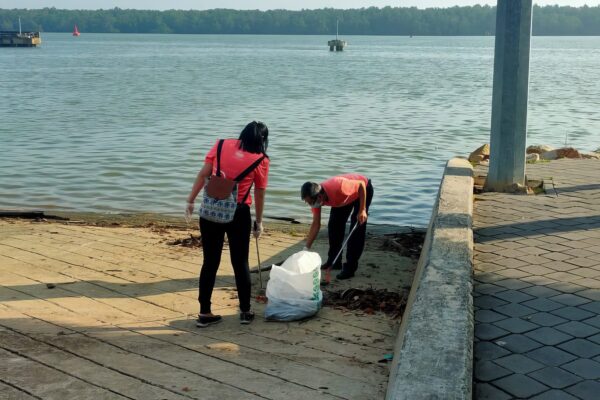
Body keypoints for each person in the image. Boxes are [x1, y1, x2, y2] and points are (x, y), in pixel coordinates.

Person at [186, 121, 270, 327]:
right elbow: (259, 193)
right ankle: (244, 311)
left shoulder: (221, 144)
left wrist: (190, 200)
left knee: (209, 263)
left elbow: (203, 173)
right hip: (238, 214)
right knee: (240, 263)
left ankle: (204, 313)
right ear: (263, 140)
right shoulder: (261, 159)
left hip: (210, 211)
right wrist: (258, 222)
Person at [301, 174, 374, 280]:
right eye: (308, 203)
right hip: (342, 198)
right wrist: (306, 248)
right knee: (334, 227)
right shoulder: (316, 199)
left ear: (319, 197)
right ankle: (334, 262)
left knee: (356, 230)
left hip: (362, 190)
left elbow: (361, 185)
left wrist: (362, 209)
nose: (311, 205)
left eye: (311, 202)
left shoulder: (339, 187)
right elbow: (316, 224)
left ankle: (350, 268)